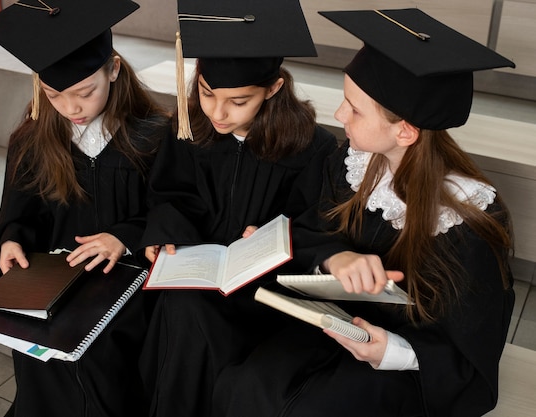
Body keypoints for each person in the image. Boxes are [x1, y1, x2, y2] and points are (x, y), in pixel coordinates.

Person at [210, 8, 516, 417]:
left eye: (354, 109)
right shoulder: (351, 166)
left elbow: (470, 350)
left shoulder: (469, 220)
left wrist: (391, 350)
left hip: (399, 364)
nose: (339, 116)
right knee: (244, 385)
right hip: (329, 329)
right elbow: (306, 228)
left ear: (404, 130)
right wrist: (337, 257)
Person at [137, 1, 338, 416]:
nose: (218, 112)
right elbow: (170, 193)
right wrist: (166, 234)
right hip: (199, 269)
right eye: (207, 93)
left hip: (264, 288)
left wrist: (270, 239)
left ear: (274, 88)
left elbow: (313, 223)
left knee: (191, 315)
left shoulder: (311, 146)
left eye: (239, 100)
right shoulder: (189, 127)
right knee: (183, 304)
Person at [0, 1, 170, 416]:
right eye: (54, 94)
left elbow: (170, 209)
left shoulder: (153, 136)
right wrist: (11, 240)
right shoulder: (32, 139)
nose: (70, 108)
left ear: (113, 70)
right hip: (55, 275)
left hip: (128, 276)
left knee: (100, 349)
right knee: (40, 348)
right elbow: (18, 213)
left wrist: (124, 236)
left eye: (84, 92)